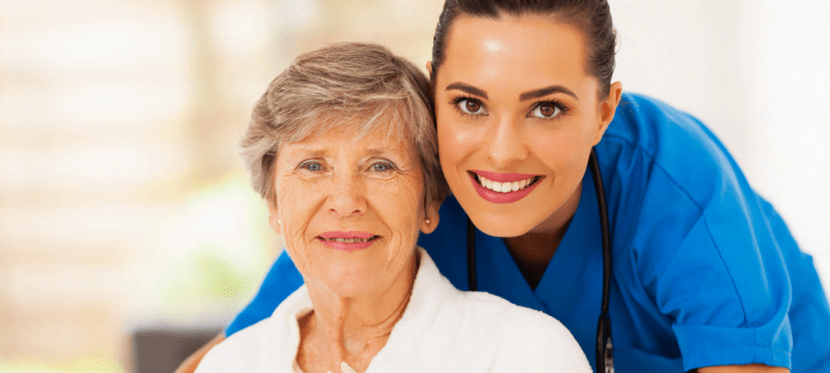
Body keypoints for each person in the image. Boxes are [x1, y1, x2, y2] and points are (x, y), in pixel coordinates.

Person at [178, 1, 830, 372]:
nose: (500, 150)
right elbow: (243, 349)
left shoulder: (677, 190)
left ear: (604, 110)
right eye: (469, 103)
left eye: (546, 107)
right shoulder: (397, 194)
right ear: (436, 88)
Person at [193, 42, 591, 373]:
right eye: (313, 166)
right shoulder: (230, 364)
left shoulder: (523, 353)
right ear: (273, 203)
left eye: (380, 166)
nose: (346, 201)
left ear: (429, 203)